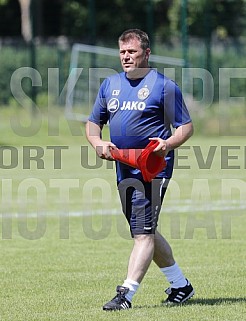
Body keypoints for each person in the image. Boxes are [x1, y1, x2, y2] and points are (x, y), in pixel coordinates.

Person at [85, 28, 194, 311]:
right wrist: (97, 142)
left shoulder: (164, 86)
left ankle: (126, 294)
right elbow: (93, 122)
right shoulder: (110, 85)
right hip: (123, 168)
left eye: (132, 52)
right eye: (122, 52)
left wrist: (167, 144)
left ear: (147, 53)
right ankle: (181, 285)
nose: (126, 57)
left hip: (153, 169)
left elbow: (186, 127)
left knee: (143, 233)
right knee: (143, 230)